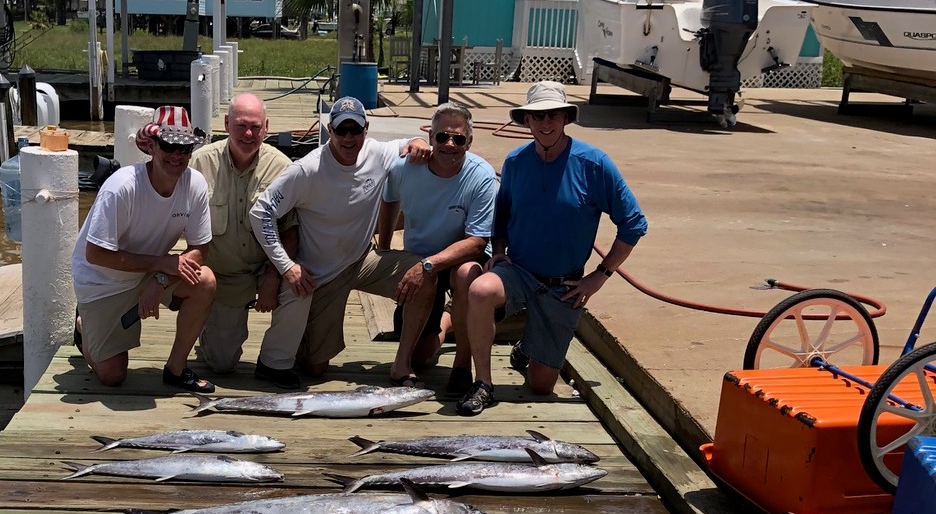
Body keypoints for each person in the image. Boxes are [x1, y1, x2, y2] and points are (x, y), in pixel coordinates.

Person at [456, 80, 647, 416]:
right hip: (519, 271)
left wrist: (598, 277)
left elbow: (634, 224)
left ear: (565, 118)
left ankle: (527, 348)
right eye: (538, 116)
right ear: (526, 121)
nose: (545, 123)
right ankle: (483, 382)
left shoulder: (595, 164)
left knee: (541, 385)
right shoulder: (515, 162)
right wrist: (498, 248)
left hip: (565, 285)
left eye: (553, 116)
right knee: (481, 290)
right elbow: (501, 217)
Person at [248, 95, 426, 388]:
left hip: (362, 260)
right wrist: (285, 266)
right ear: (329, 130)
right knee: (315, 369)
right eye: (340, 130)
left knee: (424, 271)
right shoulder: (307, 169)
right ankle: (284, 355)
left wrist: (419, 141)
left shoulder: (378, 153)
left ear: (366, 129)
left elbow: (410, 143)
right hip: (319, 276)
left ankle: (403, 362)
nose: (348, 137)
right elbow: (261, 211)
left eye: (354, 130)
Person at [70, 116, 218, 393]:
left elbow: (201, 248)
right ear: (151, 147)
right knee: (112, 376)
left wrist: (159, 279)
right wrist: (161, 263)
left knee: (205, 280)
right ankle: (83, 326)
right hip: (103, 283)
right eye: (168, 145)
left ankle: (176, 369)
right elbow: (96, 254)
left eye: (184, 149)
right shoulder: (121, 187)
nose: (177, 155)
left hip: (150, 272)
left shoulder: (195, 183)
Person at [378, 101, 497, 387]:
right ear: (430, 138)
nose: (450, 144)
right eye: (442, 136)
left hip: (460, 257)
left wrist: (429, 264)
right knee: (422, 358)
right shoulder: (405, 168)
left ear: (469, 142)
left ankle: (461, 365)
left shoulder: (482, 176)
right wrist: (384, 247)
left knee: (465, 273)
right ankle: (448, 320)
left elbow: (478, 241)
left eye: (458, 138)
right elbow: (389, 198)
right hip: (420, 257)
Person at [187, 93, 296, 374]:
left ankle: (276, 361)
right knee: (221, 364)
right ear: (226, 124)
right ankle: (211, 326)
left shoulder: (284, 168)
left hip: (268, 268)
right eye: (241, 125)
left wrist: (274, 276)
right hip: (224, 277)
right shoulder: (198, 164)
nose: (248, 134)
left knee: (302, 287)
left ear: (267, 128)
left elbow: (292, 231)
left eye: (256, 127)